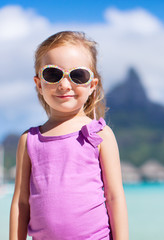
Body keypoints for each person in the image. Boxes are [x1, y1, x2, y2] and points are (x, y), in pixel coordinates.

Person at [10, 31, 129, 240]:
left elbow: (114, 197)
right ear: (39, 83)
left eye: (78, 75)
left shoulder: (101, 134)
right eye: (53, 75)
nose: (64, 85)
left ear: (92, 85)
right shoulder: (29, 140)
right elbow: (21, 202)